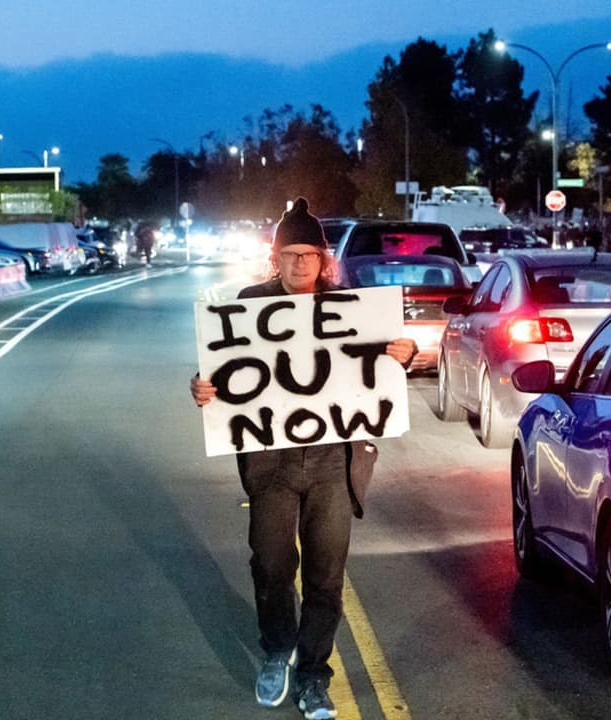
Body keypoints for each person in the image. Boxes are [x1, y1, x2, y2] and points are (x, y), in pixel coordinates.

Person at [189, 198, 418, 718]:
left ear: (322, 258)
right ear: (276, 258)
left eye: (308, 254)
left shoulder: (350, 308)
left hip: (334, 465)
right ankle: (277, 650)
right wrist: (202, 389)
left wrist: (403, 354)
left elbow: (385, 364)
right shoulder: (249, 306)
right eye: (288, 254)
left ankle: (314, 675)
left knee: (325, 576)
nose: (298, 264)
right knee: (270, 565)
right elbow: (222, 378)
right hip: (271, 463)